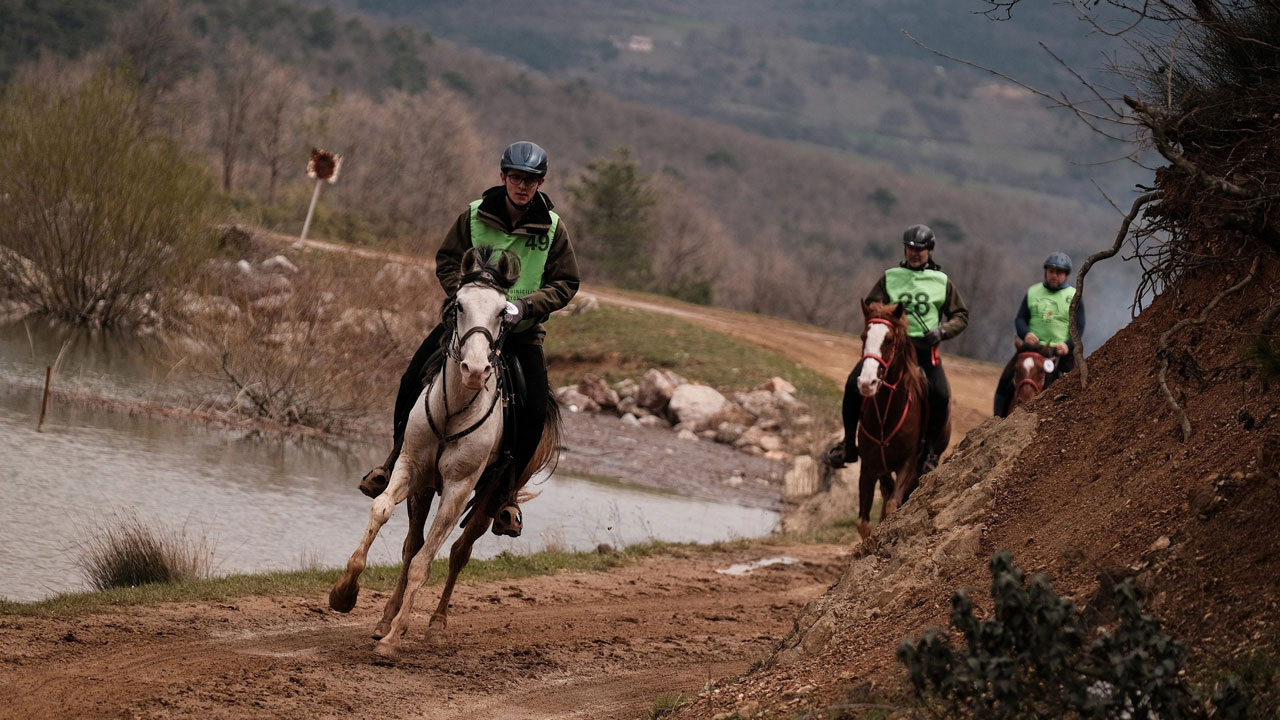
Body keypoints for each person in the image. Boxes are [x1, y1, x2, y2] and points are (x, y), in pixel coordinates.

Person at [358, 141, 580, 537]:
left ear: (540, 183)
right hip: (469, 327)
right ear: (503, 177)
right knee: (412, 379)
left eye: (530, 180)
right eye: (515, 177)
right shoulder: (474, 216)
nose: (522, 186)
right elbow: (447, 260)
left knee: (533, 409)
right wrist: (463, 295)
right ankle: (393, 462)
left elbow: (566, 282)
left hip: (520, 332)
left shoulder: (553, 229)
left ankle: (507, 494)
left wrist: (526, 307)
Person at [824, 224, 969, 473]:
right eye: (910, 248)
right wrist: (886, 317)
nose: (914, 253)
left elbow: (961, 315)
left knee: (941, 395)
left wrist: (942, 331)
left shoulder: (942, 281)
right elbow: (871, 305)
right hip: (889, 350)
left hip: (924, 351)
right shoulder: (891, 276)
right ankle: (848, 445)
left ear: (930, 251)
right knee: (852, 383)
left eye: (920, 249)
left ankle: (931, 454)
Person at [992, 251, 1085, 417]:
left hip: (1059, 351)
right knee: (1005, 379)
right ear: (1046, 272)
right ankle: (996, 419)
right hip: (1032, 348)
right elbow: (1020, 319)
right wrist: (1025, 333)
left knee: (1076, 386)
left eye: (1058, 272)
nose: (1054, 275)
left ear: (1066, 275)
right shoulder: (1033, 292)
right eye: (1051, 271)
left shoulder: (1073, 296)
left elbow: (1080, 326)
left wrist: (1068, 345)